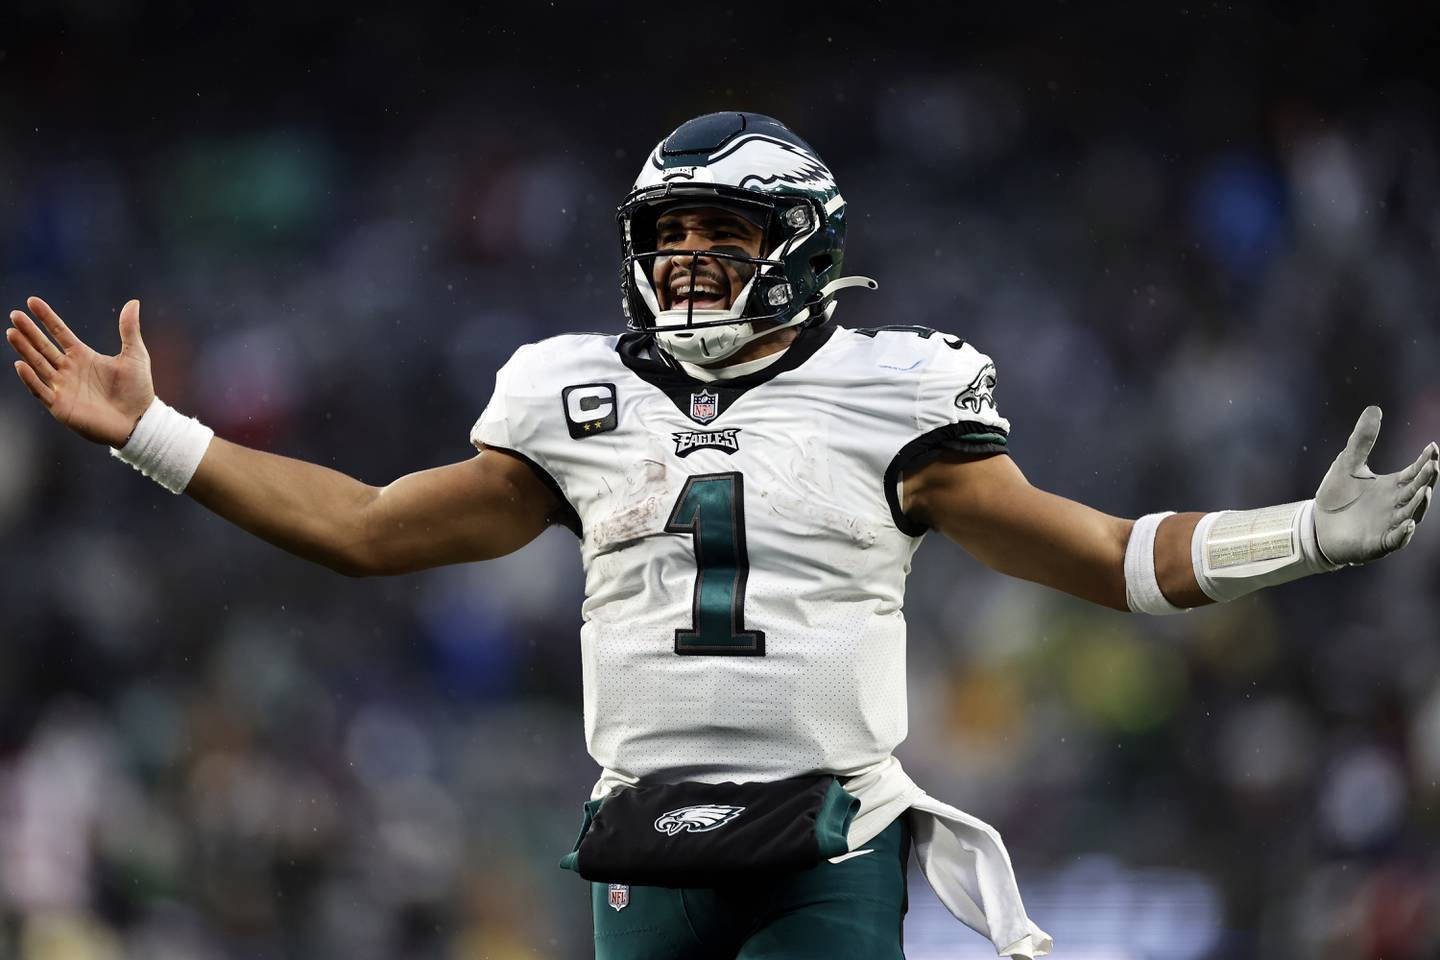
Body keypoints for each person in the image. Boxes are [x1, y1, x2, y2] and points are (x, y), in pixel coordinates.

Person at [7, 112, 1436, 960]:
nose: (686, 256)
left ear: (800, 244)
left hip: (826, 834)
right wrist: (154, 432)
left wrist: (1297, 539)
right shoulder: (569, 394)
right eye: (667, 232)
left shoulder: (898, 391)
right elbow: (371, 529)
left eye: (721, 232)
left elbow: (1106, 554)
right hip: (641, 833)